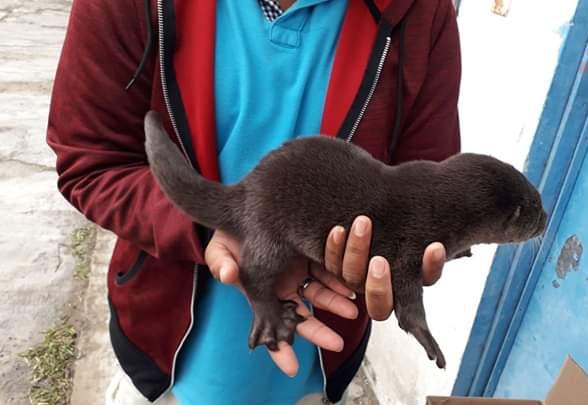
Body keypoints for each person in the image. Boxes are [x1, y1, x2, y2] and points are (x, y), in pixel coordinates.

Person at [47, 0, 461, 403]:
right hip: (161, 354)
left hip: (321, 357)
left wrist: (398, 260)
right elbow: (91, 162)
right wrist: (202, 227)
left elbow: (422, 191)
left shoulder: (422, 12)